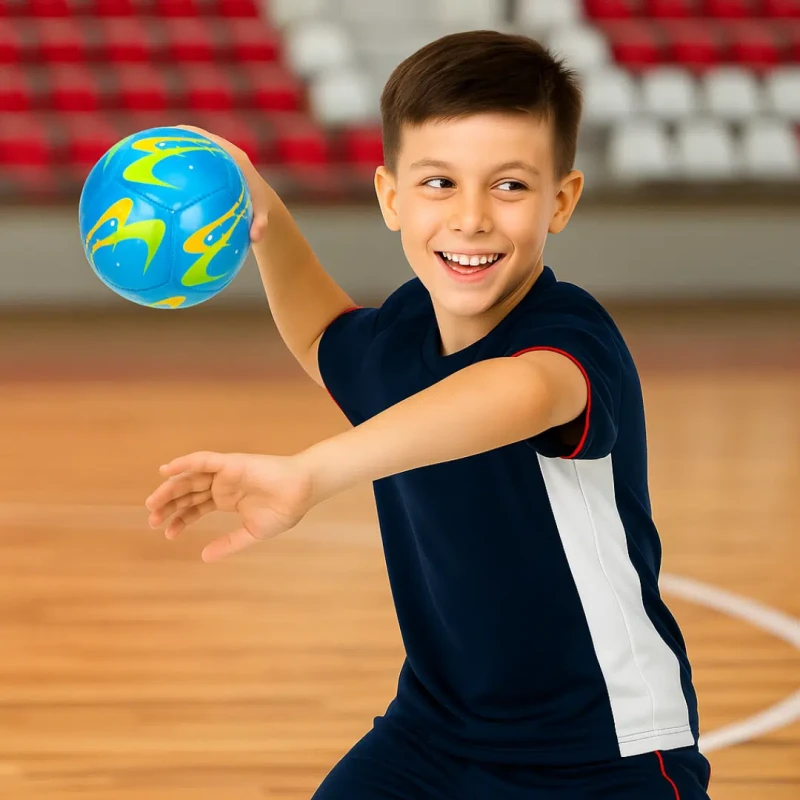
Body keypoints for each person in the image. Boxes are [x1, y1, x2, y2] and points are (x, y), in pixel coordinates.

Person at [145, 30, 712, 799]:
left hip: (602, 750)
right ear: (390, 197)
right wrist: (260, 205)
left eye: (509, 187)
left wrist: (313, 471)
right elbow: (321, 333)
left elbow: (518, 394)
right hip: (434, 733)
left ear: (562, 201)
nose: (472, 218)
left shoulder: (571, 336)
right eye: (439, 183)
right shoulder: (402, 336)